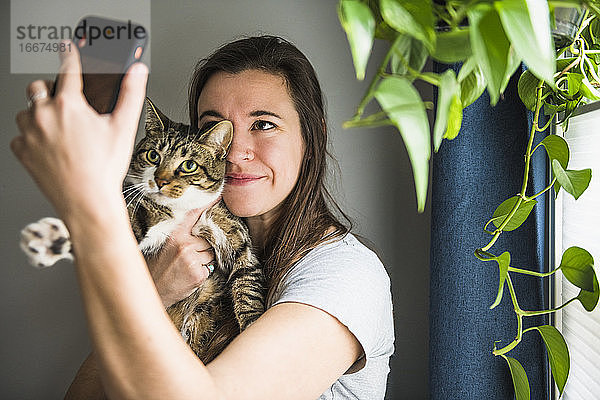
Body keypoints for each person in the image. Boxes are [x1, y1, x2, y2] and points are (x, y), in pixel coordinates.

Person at [12, 35, 394, 399]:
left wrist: (87, 204)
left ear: (311, 139)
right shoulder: (181, 245)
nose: (233, 152)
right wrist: (157, 291)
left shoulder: (346, 276)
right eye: (213, 128)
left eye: (263, 124)